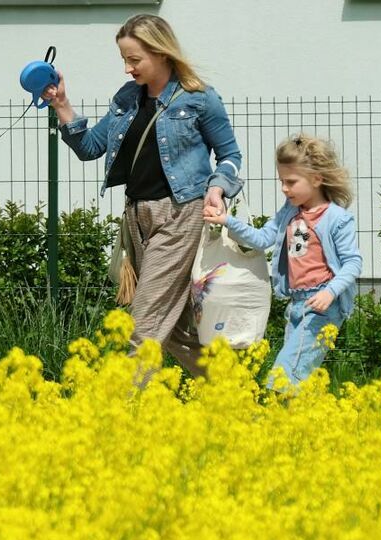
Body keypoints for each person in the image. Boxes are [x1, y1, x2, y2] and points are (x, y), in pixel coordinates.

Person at [43, 14, 243, 378]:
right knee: (176, 330)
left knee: (145, 321)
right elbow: (90, 147)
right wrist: (62, 105)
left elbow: (230, 156)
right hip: (137, 220)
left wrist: (217, 187)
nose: (127, 68)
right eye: (124, 59)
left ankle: (124, 411)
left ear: (161, 53)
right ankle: (232, 394)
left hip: (180, 216)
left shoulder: (198, 99)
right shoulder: (126, 100)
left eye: (134, 60)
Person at [202, 133, 362, 387]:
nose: (284, 188)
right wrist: (227, 221)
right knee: (298, 374)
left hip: (322, 306)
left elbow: (353, 263)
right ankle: (300, 422)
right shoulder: (290, 212)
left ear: (317, 179)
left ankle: (275, 418)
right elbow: (262, 238)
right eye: (281, 181)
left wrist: (330, 293)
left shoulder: (336, 218)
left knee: (284, 375)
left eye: (291, 182)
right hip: (296, 304)